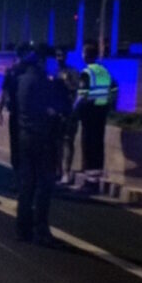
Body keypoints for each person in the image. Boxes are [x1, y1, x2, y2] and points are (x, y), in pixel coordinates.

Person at [14, 44, 68, 244]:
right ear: (44, 60)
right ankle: (41, 229)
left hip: (25, 137)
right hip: (42, 138)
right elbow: (61, 107)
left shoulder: (23, 79)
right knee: (44, 185)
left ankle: (22, 229)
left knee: (27, 184)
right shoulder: (43, 82)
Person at [74, 43, 117, 193]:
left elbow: (82, 95)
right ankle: (96, 179)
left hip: (89, 112)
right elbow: (114, 89)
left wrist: (74, 110)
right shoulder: (104, 71)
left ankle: (89, 182)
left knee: (88, 145)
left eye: (83, 53)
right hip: (101, 112)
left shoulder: (87, 72)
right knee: (98, 145)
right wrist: (109, 105)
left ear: (86, 55)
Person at [0, 43, 31, 190]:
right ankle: (24, 178)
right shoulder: (29, 71)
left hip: (16, 114)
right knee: (25, 147)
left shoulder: (11, 71)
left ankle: (18, 179)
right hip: (28, 114)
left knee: (16, 147)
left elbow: (4, 93)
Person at [56, 52, 79, 186]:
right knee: (57, 142)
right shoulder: (55, 71)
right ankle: (58, 171)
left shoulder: (73, 72)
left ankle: (66, 172)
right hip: (58, 112)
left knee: (67, 141)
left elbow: (77, 90)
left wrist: (67, 81)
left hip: (69, 112)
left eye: (61, 55)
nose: (59, 58)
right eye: (57, 56)